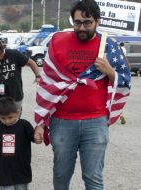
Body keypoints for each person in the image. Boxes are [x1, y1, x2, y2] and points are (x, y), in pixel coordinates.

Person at [34, 0, 131, 190]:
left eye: (87, 22)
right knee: (61, 177)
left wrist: (109, 71)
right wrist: (40, 121)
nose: (82, 28)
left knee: (93, 178)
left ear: (97, 21)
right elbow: (47, 82)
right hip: (62, 122)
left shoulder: (109, 47)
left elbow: (125, 81)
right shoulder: (57, 42)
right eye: (77, 22)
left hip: (95, 122)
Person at [0, 96, 41, 190]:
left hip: (22, 170)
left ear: (17, 112)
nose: (7, 121)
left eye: (10, 117)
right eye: (3, 118)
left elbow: (35, 138)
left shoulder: (24, 125)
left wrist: (38, 138)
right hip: (4, 171)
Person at [0, 41, 40, 108]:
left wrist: (37, 76)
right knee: (3, 117)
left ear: (3, 52)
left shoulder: (13, 54)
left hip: (16, 95)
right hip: (0, 98)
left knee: (16, 117)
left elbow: (31, 63)